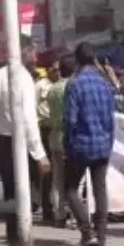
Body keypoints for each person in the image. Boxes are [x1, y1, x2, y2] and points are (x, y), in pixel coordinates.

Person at [0, 36, 52, 246]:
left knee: (12, 192)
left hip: (2, 142)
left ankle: (15, 239)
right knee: (28, 197)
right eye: (33, 49)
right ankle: (15, 233)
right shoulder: (23, 78)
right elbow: (29, 120)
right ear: (23, 51)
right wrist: (39, 154)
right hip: (20, 143)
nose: (35, 54)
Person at [62, 42, 118, 246]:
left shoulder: (75, 84)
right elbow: (111, 120)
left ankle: (87, 233)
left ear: (77, 60)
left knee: (70, 189)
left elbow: (70, 120)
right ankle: (101, 236)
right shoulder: (105, 84)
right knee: (100, 189)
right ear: (94, 59)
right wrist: (109, 142)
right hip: (103, 144)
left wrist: (68, 144)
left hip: (80, 145)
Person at [44, 54, 75, 225]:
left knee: (57, 179)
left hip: (54, 136)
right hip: (69, 138)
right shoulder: (72, 87)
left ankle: (59, 214)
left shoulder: (52, 90)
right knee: (73, 180)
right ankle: (72, 212)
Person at [37, 60, 62, 224]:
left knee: (60, 173)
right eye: (54, 69)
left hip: (57, 130)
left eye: (59, 70)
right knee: (48, 172)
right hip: (44, 129)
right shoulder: (40, 86)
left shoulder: (61, 86)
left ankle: (59, 208)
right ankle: (47, 209)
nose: (57, 73)